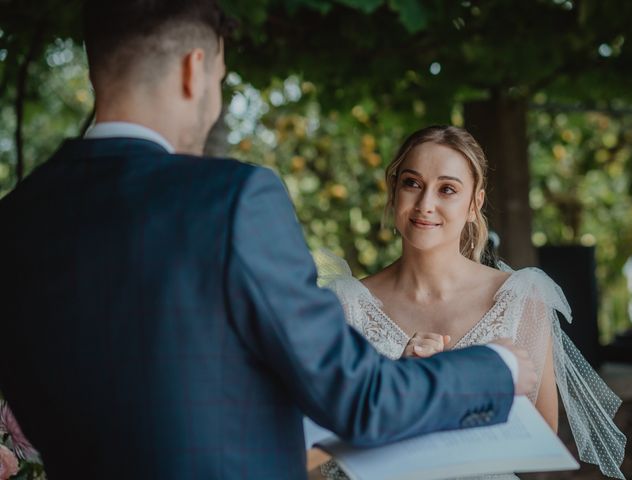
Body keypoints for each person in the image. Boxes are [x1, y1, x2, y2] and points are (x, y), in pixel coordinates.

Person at [0, 2, 537, 479]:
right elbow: (360, 399)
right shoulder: (233, 198)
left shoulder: (17, 216)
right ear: (196, 71)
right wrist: (500, 365)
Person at [316, 125, 627, 479]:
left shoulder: (520, 298)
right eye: (412, 183)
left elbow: (542, 440)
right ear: (393, 190)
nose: (425, 204)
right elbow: (320, 448)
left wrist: (459, 388)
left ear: (473, 204)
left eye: (447, 189)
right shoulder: (346, 306)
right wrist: (397, 383)